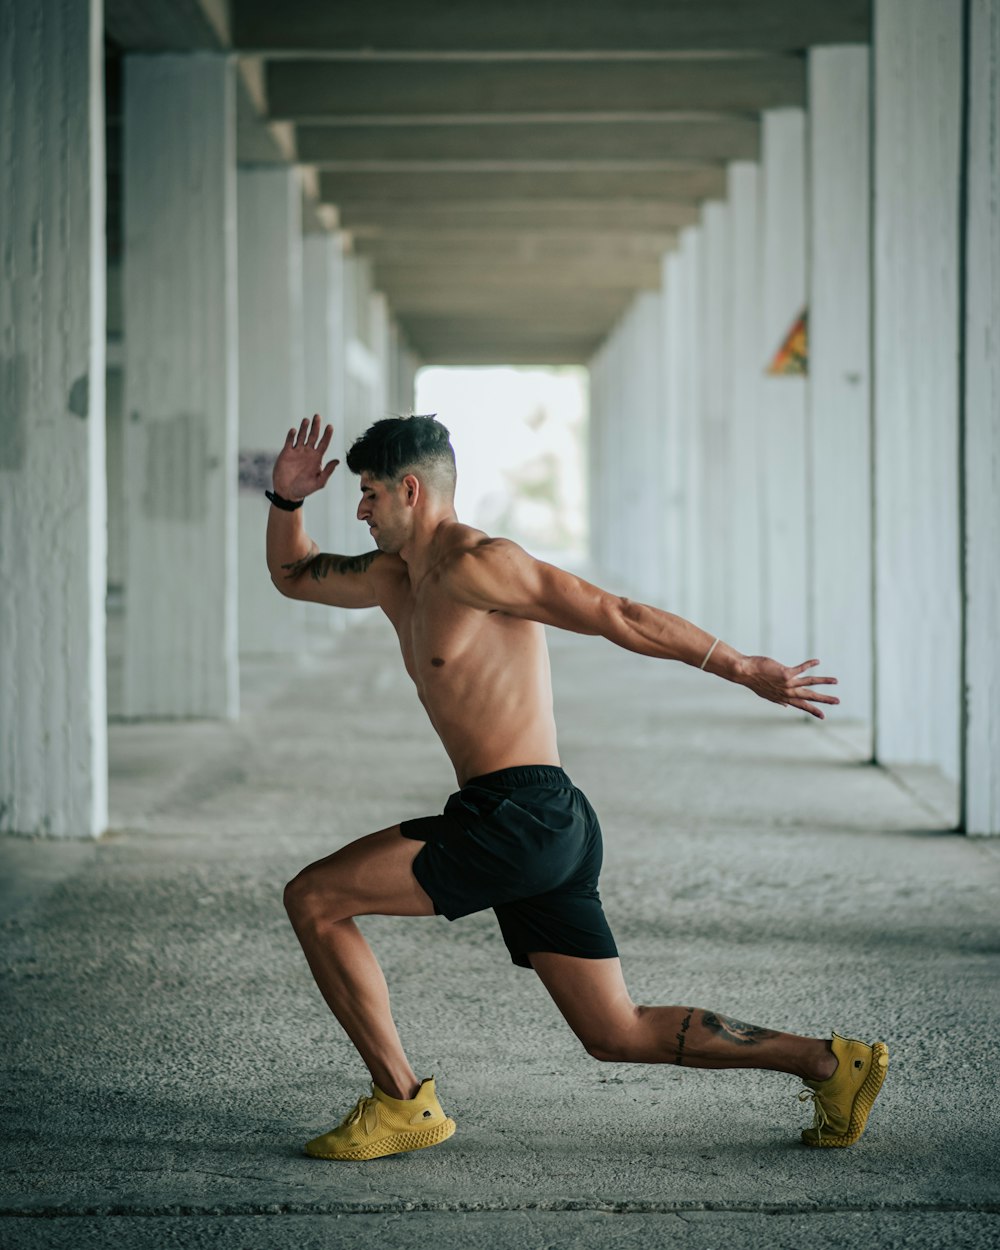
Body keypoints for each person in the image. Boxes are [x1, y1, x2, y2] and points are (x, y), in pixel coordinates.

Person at [268, 413, 888, 1162]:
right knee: (613, 1032)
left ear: (411, 489)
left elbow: (614, 614)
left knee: (315, 898)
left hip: (520, 816)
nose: (359, 509)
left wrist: (743, 667)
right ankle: (830, 1064)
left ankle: (401, 1102)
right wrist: (285, 502)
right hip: (536, 820)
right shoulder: (394, 576)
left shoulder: (479, 564)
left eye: (368, 493)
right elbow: (293, 575)